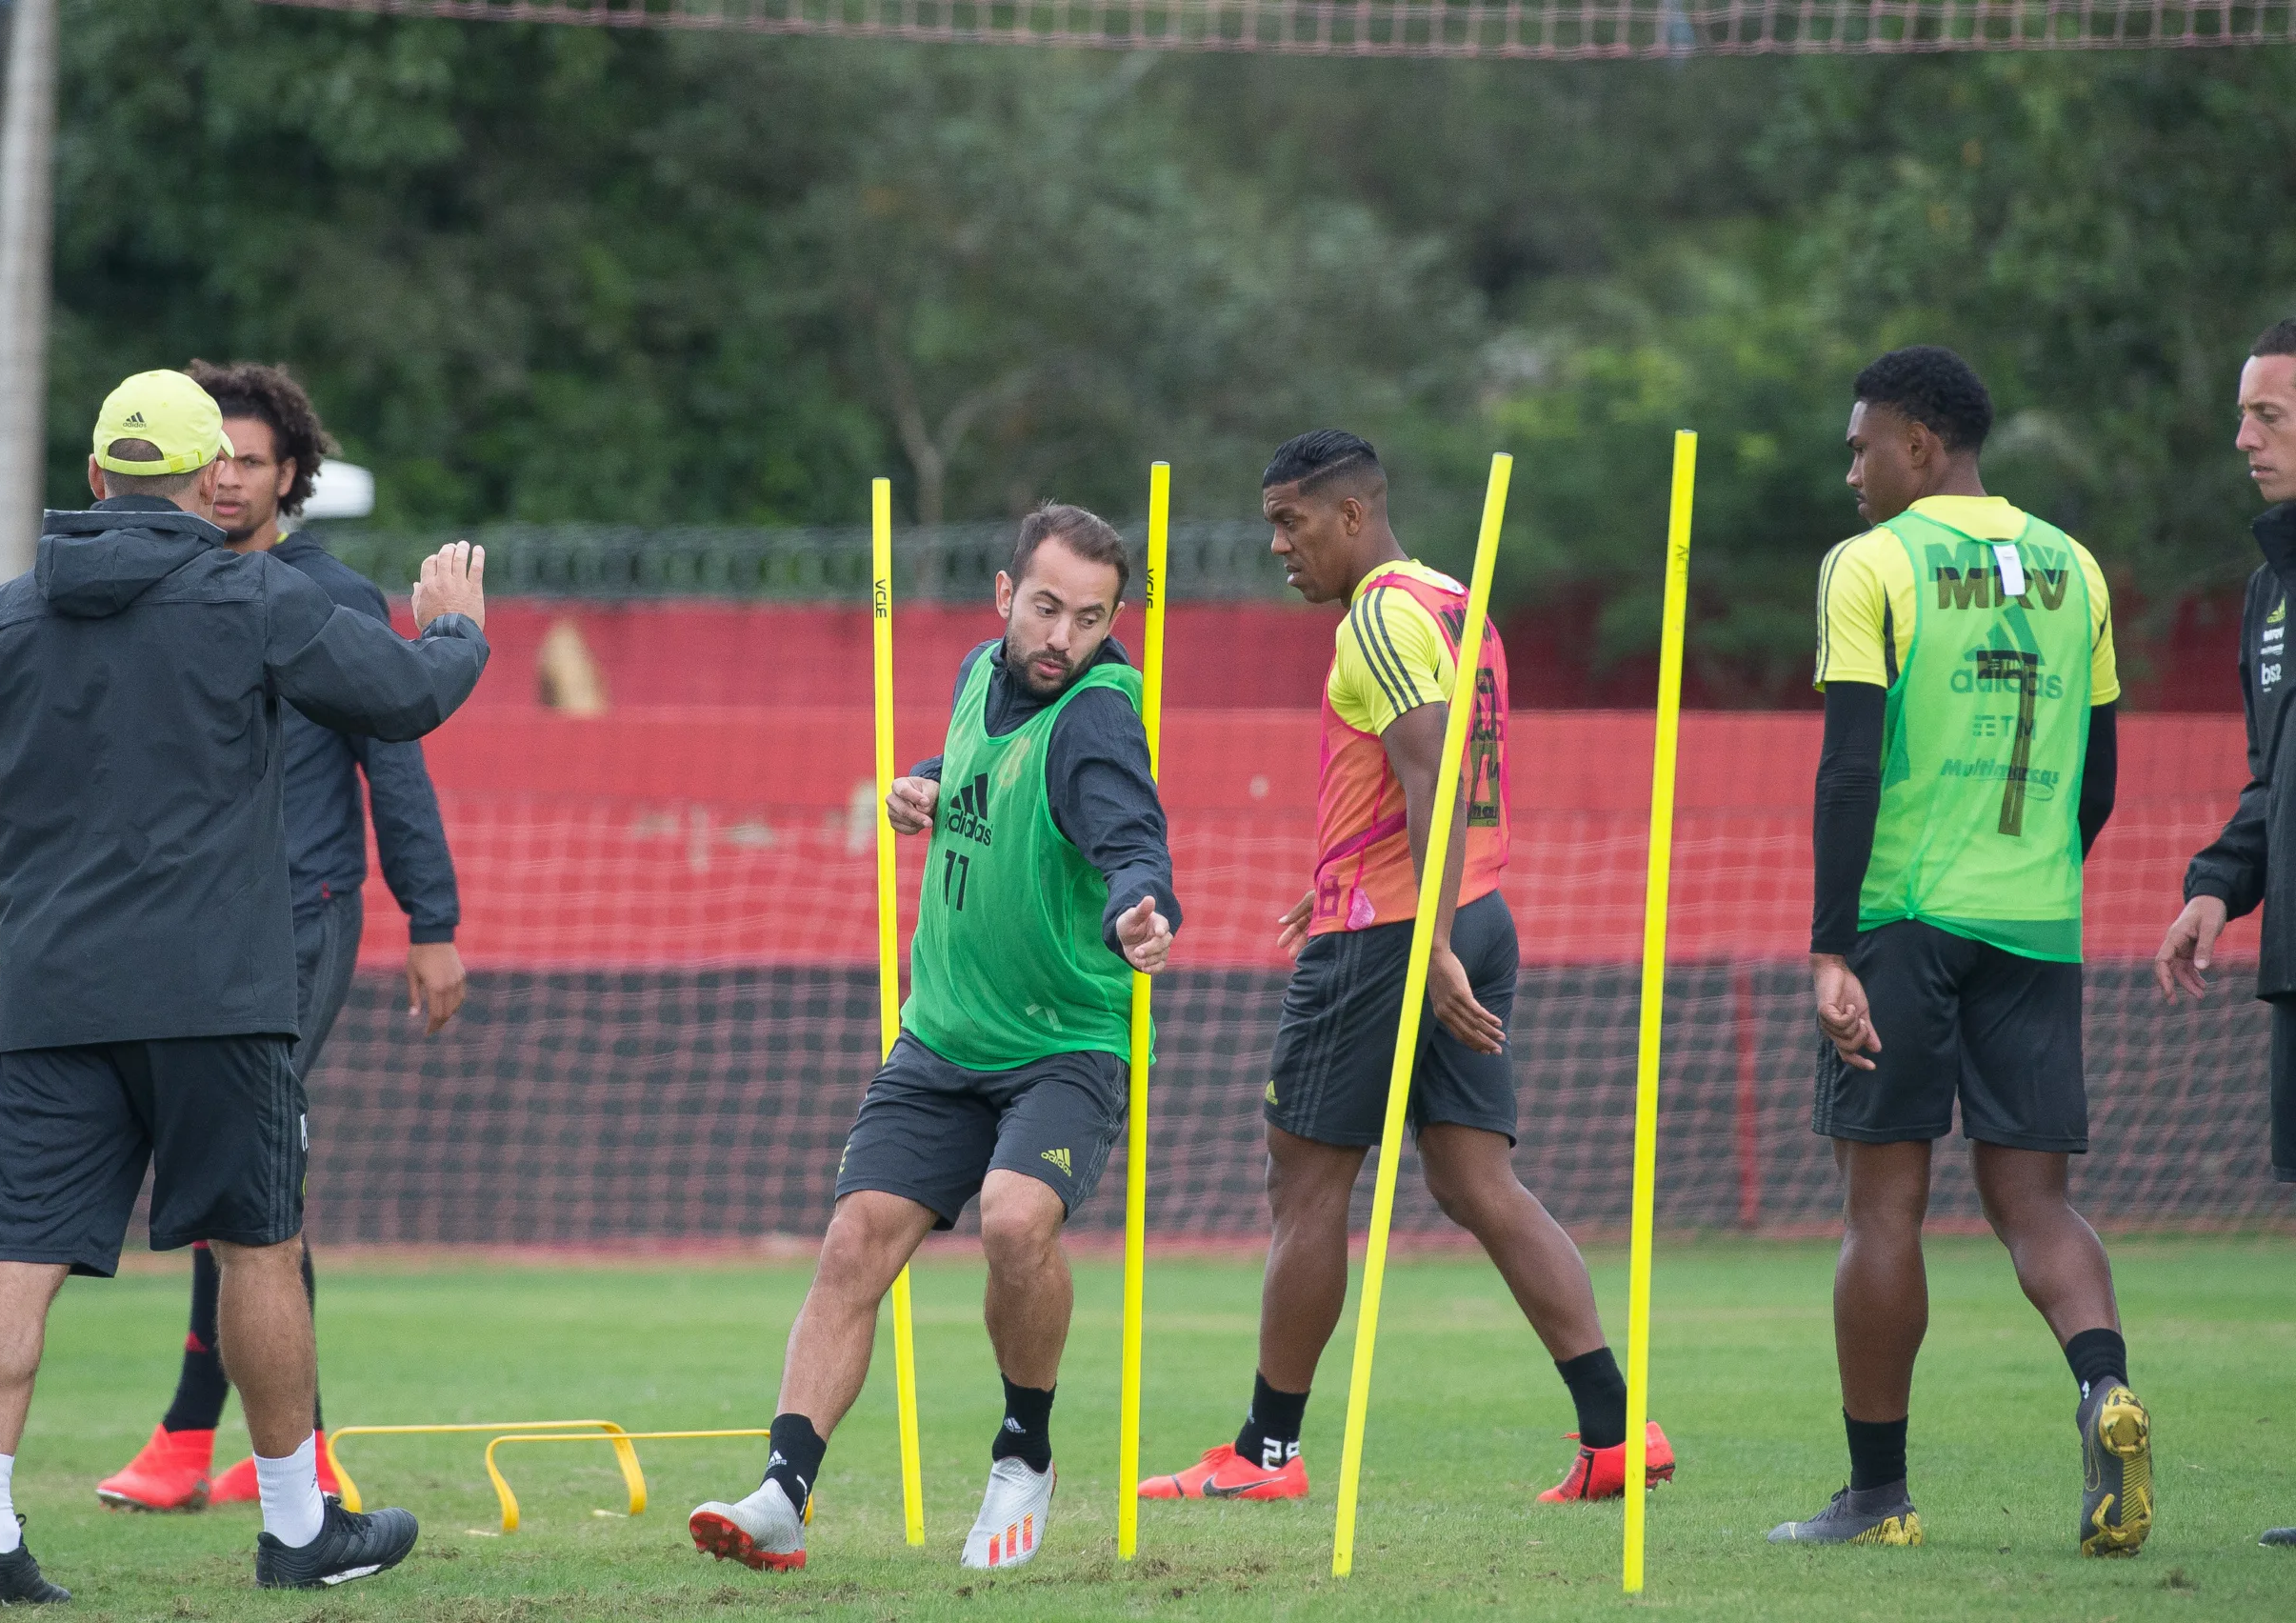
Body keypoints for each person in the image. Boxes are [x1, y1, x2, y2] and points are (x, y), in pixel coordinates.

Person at [0, 370, 489, 1605]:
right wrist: (453, 628)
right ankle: (296, 1532)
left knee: (15, 1260)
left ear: (93, 477)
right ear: (195, 482)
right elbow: (403, 703)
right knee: (258, 1251)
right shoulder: (252, 597)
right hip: (219, 992)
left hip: (53, 998)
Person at [1139, 430, 1672, 1508]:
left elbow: (1428, 770)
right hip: (1469, 909)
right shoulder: (1448, 600)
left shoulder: (1376, 613)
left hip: (1401, 934)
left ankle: (1265, 1453)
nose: (1277, 546)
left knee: (1303, 1173)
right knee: (1476, 1180)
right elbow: (1428, 781)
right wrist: (1349, 874)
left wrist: (1417, 942)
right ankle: (1617, 1434)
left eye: (1289, 522)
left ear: (1351, 513)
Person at [688, 504, 1179, 1573]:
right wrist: (924, 783)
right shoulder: (975, 675)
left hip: (1063, 1043)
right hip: (941, 1039)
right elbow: (981, 765)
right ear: (1005, 597)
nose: (1063, 638)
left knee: (1014, 1222)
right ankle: (782, 1493)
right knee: (854, 1239)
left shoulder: (1097, 714)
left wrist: (1143, 906)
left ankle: (1024, 1452)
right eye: (1045, 608)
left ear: (1111, 623)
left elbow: (1125, 827)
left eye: (1090, 619)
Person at [1773, 346, 2147, 1556]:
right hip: (2036, 922)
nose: (1851, 471)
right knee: (2036, 1201)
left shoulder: (1872, 565)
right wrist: (2035, 875)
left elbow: (1847, 765)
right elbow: (2097, 782)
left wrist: (1833, 947)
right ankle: (2104, 1390)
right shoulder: (2074, 566)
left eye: (1860, 445)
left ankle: (1878, 1497)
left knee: (1881, 1207)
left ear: (1919, 447)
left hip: (1902, 918)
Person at [94, 360, 468, 1514]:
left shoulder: (326, 599)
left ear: (289, 474)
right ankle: (232, 1447)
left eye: (249, 460)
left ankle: (241, 1445)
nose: (226, 478)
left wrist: (433, 922)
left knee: (253, 1173)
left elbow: (393, 761)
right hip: (187, 933)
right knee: (239, 1179)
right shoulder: (174, 593)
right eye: (215, 457)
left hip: (302, 922)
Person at [2151, 318, 2296, 1552]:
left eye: (2270, 417)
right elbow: (2272, 782)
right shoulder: (2269, 589)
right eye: (2246, 414)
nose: (2242, 437)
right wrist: (2217, 884)